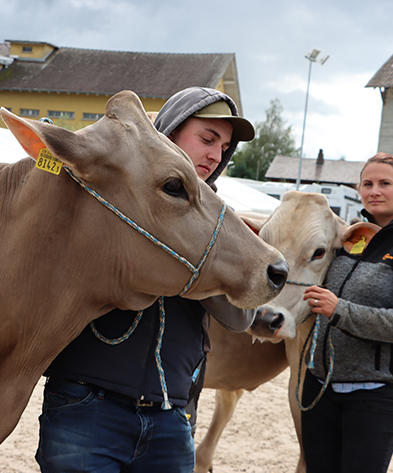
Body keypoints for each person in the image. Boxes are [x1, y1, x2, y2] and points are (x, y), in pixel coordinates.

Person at [36, 87, 255, 473]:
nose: (216, 155)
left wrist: (201, 251)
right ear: (169, 130)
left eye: (224, 147)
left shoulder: (221, 224)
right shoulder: (104, 190)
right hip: (87, 403)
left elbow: (242, 316)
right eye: (207, 139)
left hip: (170, 415)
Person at [301, 153, 393, 473]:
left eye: (385, 183)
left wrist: (339, 309)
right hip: (322, 384)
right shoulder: (350, 239)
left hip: (378, 391)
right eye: (367, 184)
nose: (374, 191)